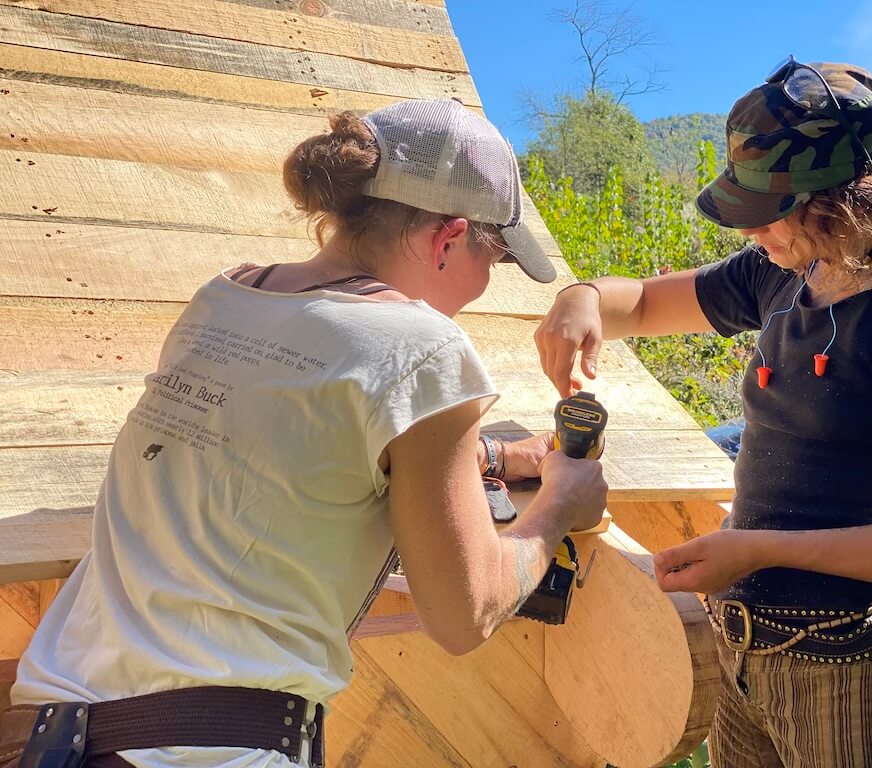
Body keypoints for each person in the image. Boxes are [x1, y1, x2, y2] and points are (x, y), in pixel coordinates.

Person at [1, 98, 606, 768]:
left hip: (66, 739)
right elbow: (466, 612)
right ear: (447, 237)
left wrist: (487, 454)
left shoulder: (222, 300)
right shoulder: (425, 349)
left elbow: (276, 441)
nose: (483, 286)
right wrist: (557, 507)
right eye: (490, 261)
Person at [535, 59, 872, 767]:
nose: (752, 233)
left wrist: (759, 549)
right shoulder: (784, 272)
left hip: (862, 674)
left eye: (766, 213)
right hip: (747, 664)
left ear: (838, 201)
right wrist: (577, 297)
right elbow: (636, 302)